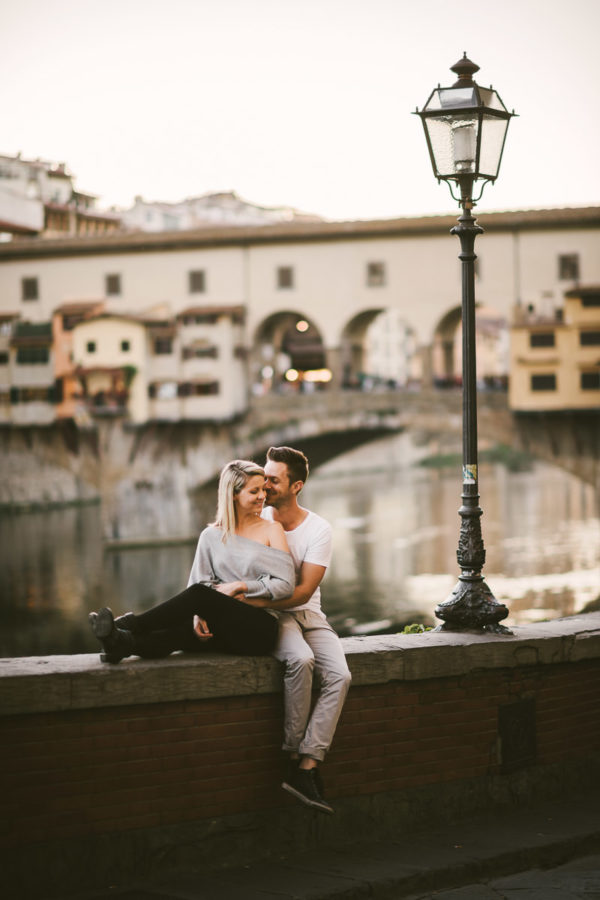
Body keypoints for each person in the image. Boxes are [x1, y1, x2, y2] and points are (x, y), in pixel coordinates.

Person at [88, 460, 294, 663]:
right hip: (221, 627)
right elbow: (200, 584)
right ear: (233, 494)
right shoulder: (211, 536)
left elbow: (286, 585)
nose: (262, 496)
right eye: (254, 491)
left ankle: (128, 624)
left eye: (263, 490)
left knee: (198, 595)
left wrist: (241, 586)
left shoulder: (271, 530)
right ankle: (119, 643)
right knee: (178, 633)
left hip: (258, 629)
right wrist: (198, 615)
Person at [242, 446, 351, 815]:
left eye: (273, 479)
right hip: (279, 617)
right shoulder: (257, 515)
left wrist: (253, 603)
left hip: (309, 614)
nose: (265, 485)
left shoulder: (318, 529)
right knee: (300, 661)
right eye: (264, 477)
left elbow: (303, 592)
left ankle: (308, 765)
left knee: (340, 675)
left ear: (296, 485)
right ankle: (291, 755)